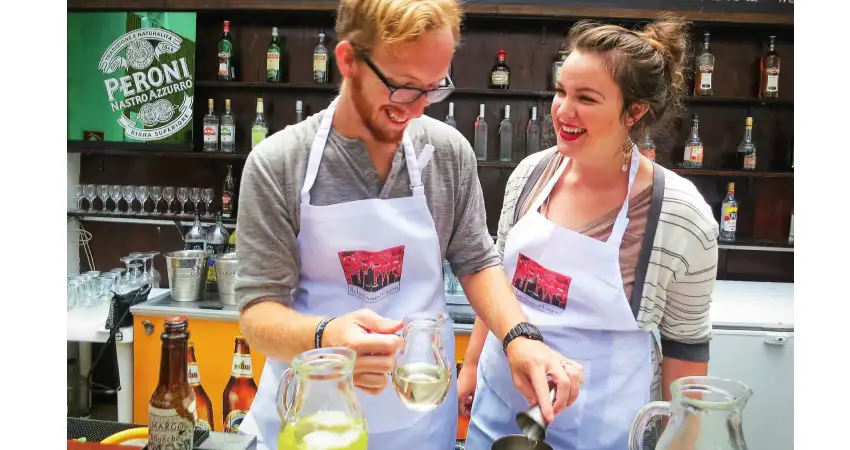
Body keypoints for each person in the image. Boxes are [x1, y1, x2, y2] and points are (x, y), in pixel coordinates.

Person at [232, 1, 582, 449]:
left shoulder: (447, 152)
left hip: (420, 425)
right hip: (314, 426)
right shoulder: (279, 164)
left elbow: (476, 262)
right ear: (347, 61)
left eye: (433, 88)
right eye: (402, 88)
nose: (418, 109)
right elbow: (259, 315)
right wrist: (326, 338)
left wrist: (519, 338)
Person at [460, 15, 720, 450]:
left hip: (600, 431)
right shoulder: (531, 175)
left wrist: (681, 444)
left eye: (586, 97)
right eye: (561, 91)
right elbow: (495, 283)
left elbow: (686, 349)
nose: (563, 110)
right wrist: (470, 366)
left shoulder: (680, 215)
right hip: (498, 414)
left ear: (634, 112)